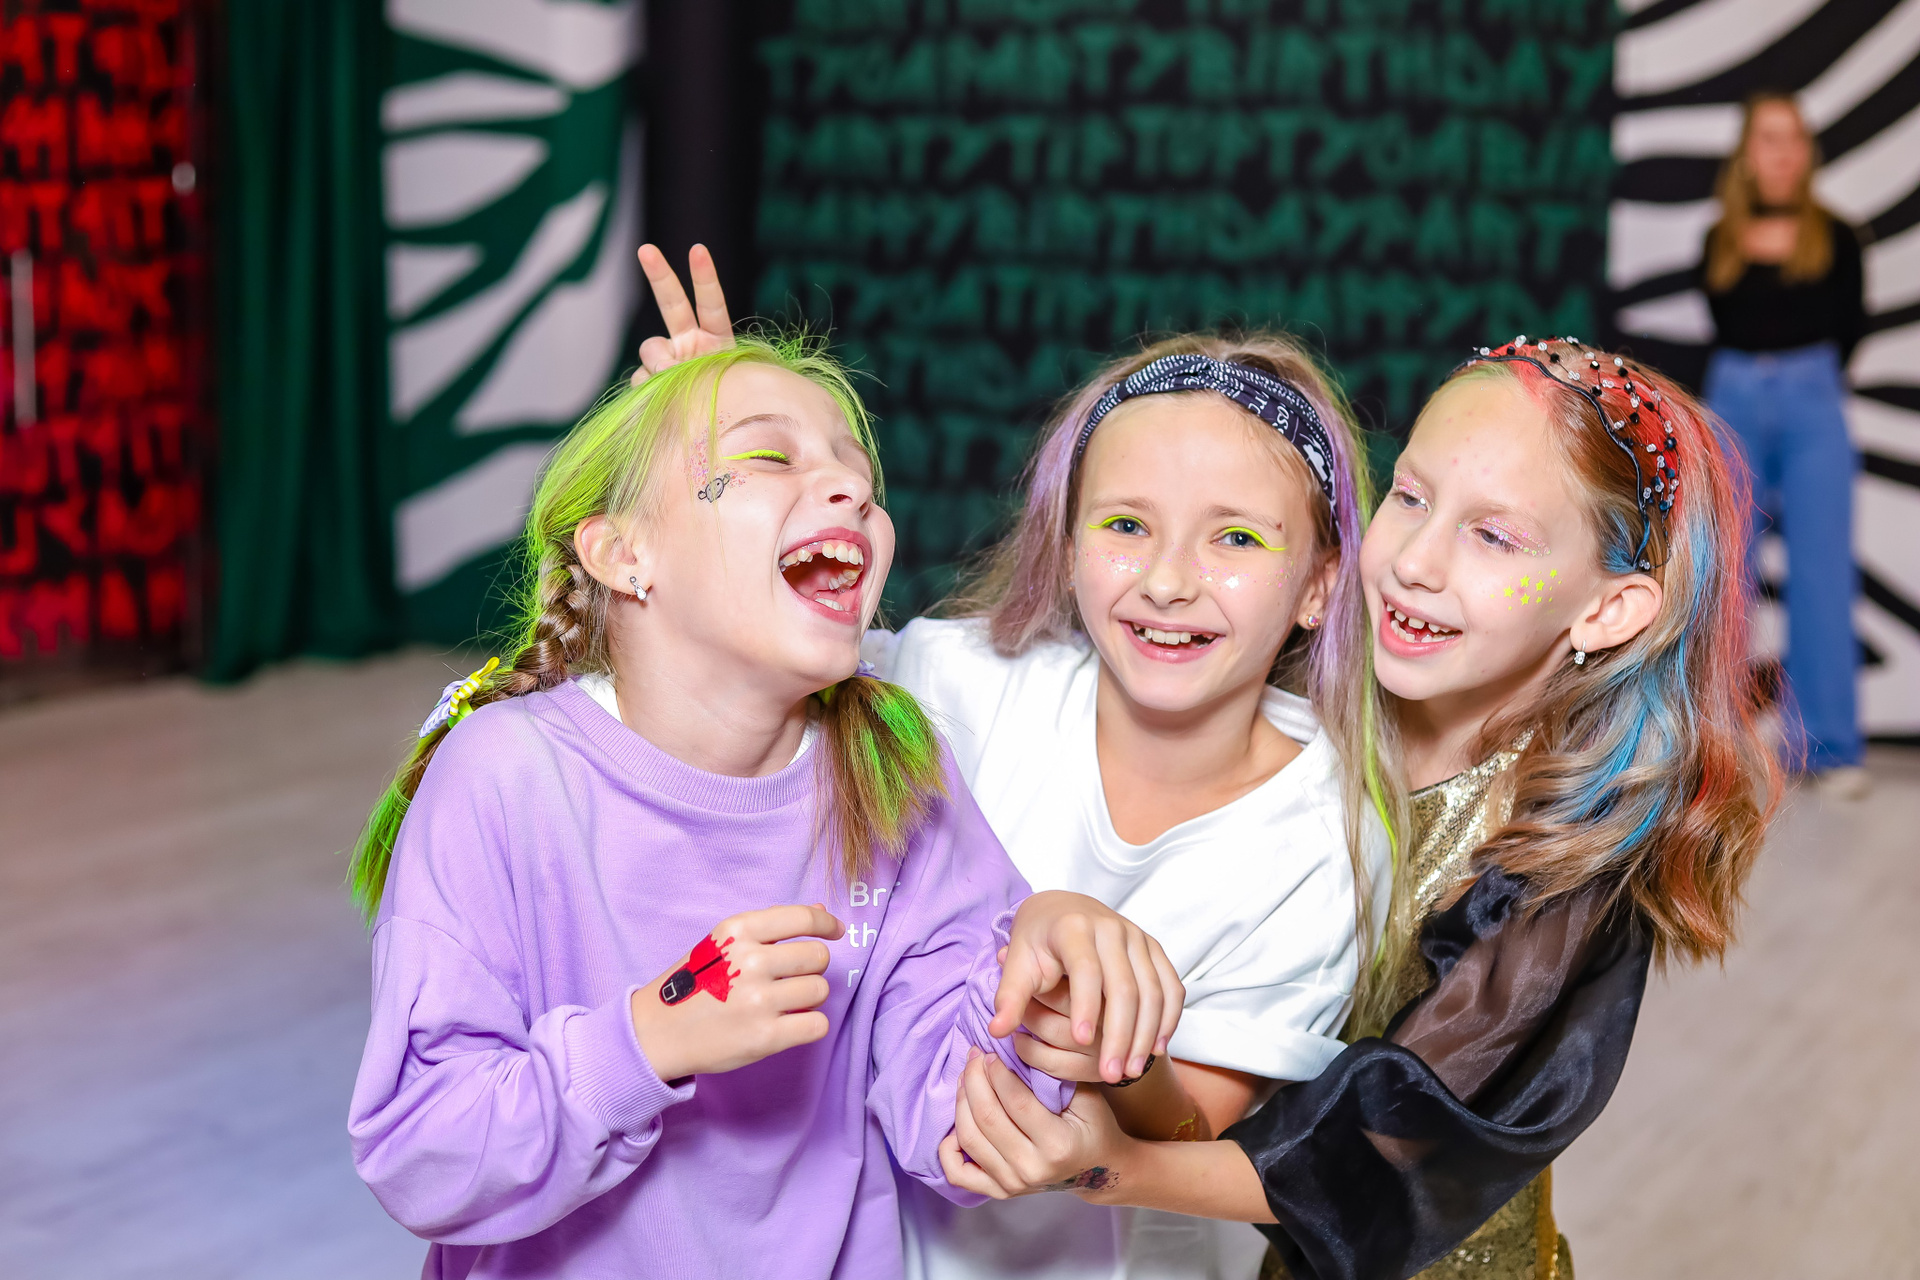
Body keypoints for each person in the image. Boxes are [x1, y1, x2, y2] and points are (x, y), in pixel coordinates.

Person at [937, 337, 1782, 1280]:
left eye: (1494, 537)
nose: (1415, 561)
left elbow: (1381, 1147)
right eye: (1410, 498)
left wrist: (1117, 1166)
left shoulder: (1566, 864)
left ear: (1607, 611)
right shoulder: (1308, 694)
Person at [344, 335, 1183, 1279]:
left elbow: (954, 1121)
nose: (852, 490)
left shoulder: (893, 766)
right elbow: (423, 1155)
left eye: (860, 473)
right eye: (770, 456)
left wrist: (1047, 991)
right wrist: (648, 1041)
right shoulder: (503, 775)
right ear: (624, 553)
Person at [628, 248, 1392, 1280]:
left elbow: (1190, 1131)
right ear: (1067, 544)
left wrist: (1113, 1046)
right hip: (866, 1239)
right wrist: (722, 488)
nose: (1169, 580)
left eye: (1237, 540)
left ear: (1321, 583)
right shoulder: (954, 683)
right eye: (1127, 525)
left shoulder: (1323, 834)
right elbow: (751, 671)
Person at [1699, 91, 1867, 798]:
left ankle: (1827, 745)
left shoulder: (1838, 238)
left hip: (1813, 401)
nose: (1783, 152)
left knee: (1823, 573)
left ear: (1807, 151)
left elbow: (1850, 328)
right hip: (1732, 399)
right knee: (1722, 575)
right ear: (1748, 152)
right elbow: (1726, 320)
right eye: (1769, 137)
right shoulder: (1720, 238)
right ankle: (1714, 748)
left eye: (1794, 137)